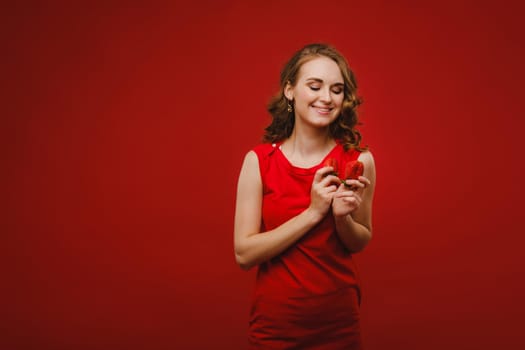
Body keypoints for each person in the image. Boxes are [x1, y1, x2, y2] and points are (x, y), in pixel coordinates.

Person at [233, 43, 376, 349]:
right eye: (315, 86)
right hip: (274, 328)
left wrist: (342, 219)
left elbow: (360, 241)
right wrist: (313, 213)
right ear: (290, 90)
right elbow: (244, 254)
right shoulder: (258, 161)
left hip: (339, 325)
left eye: (336, 89)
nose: (326, 98)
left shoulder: (359, 159)